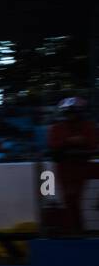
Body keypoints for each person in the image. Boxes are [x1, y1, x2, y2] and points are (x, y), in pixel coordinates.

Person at [47, 96, 98, 233]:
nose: (71, 115)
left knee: (73, 200)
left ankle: (76, 231)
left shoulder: (88, 126)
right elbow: (54, 146)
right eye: (68, 112)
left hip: (82, 166)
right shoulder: (57, 128)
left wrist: (69, 143)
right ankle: (75, 231)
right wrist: (72, 141)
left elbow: (93, 145)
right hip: (65, 168)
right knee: (71, 200)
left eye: (74, 112)